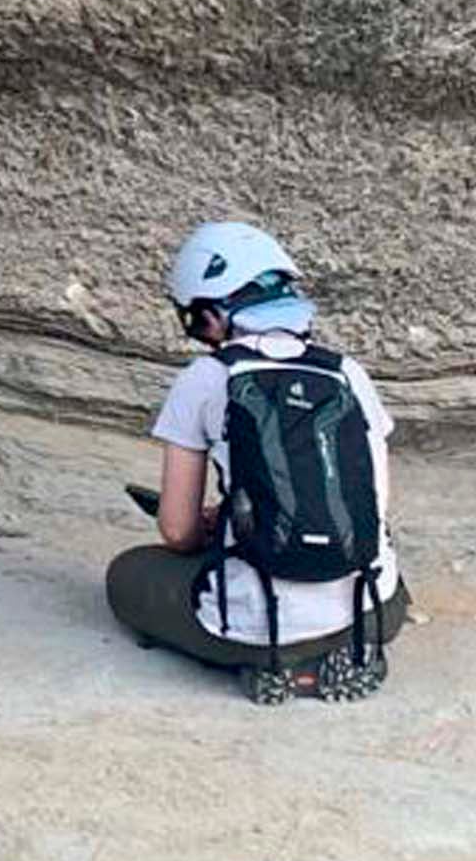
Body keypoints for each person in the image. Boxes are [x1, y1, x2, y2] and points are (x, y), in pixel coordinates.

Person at [105, 221, 407, 696]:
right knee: (383, 592)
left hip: (254, 625)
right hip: (372, 610)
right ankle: (330, 658)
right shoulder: (349, 374)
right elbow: (373, 503)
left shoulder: (206, 377)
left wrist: (220, 525)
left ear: (209, 315)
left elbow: (178, 532)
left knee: (127, 574)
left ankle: (280, 666)